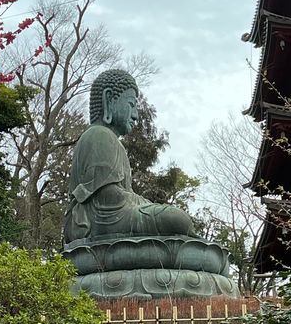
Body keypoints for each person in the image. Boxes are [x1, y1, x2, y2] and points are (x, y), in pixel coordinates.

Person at [64, 69, 196, 243]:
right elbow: (108, 198)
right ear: (109, 99)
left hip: (115, 218)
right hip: (99, 222)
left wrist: (146, 204)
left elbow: (124, 195)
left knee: (176, 220)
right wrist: (147, 205)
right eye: (131, 104)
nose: (135, 115)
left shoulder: (109, 138)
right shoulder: (98, 135)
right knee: (178, 219)